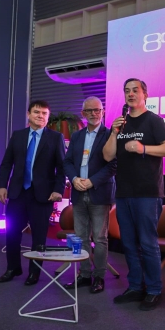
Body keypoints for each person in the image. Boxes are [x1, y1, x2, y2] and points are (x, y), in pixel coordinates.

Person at [103, 78, 165, 311]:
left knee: (147, 243)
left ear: (145, 94)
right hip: (123, 192)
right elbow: (107, 156)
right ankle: (136, 286)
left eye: (135, 90)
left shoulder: (154, 120)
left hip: (147, 192)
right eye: (127, 91)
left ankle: (154, 290)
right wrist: (114, 133)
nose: (130, 94)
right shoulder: (121, 123)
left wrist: (143, 148)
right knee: (128, 243)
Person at [0, 100, 66, 285]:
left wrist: (58, 190)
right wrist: (2, 186)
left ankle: (34, 273)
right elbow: (6, 163)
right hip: (18, 193)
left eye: (44, 113)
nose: (40, 116)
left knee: (39, 237)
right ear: (28, 114)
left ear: (48, 117)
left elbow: (62, 167)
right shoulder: (18, 135)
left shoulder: (55, 138)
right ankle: (12, 268)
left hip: (43, 195)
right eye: (37, 112)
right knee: (12, 232)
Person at [62, 96, 117, 294]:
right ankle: (84, 274)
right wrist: (74, 178)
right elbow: (67, 161)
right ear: (83, 113)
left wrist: (92, 181)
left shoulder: (110, 134)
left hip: (99, 192)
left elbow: (113, 164)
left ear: (103, 112)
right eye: (89, 111)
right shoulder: (77, 136)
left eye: (97, 110)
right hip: (78, 192)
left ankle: (99, 277)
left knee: (100, 238)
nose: (93, 114)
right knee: (81, 237)